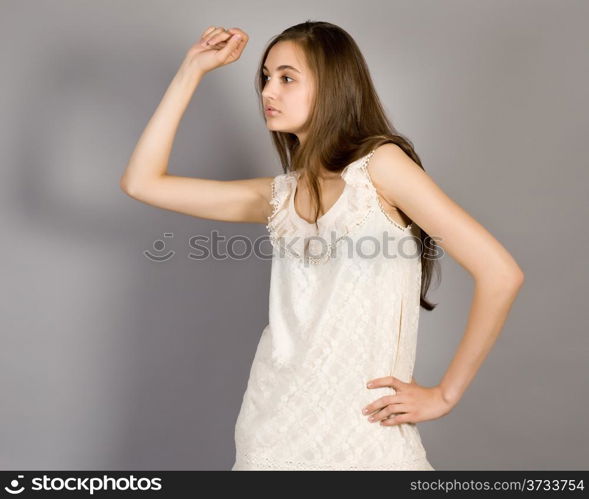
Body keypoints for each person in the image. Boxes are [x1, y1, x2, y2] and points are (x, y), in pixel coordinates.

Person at [120, 21, 525, 471]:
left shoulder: (382, 168)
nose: (268, 91)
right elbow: (142, 183)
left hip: (364, 432)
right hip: (270, 430)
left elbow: (500, 272)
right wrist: (191, 71)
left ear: (332, 86)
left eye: (287, 78)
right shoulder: (277, 197)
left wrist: (446, 393)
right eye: (265, 78)